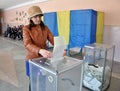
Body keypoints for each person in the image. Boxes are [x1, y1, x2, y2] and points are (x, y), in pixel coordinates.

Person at [23, 6, 54, 91]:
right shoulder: (26, 29)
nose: (38, 18)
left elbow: (53, 39)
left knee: (42, 80)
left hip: (43, 60)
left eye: (39, 16)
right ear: (30, 18)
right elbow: (27, 44)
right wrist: (39, 50)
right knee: (33, 82)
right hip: (32, 60)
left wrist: (61, 48)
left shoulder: (45, 28)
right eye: (35, 16)